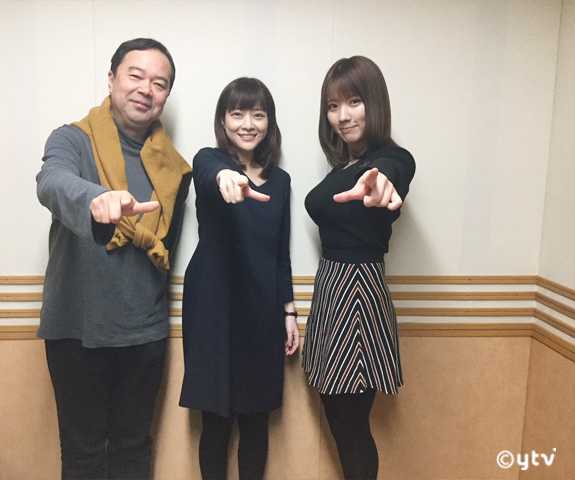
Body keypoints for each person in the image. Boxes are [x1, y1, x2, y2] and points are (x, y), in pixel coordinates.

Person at [36, 38, 192, 479]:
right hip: (76, 329)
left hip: (144, 332)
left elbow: (164, 253)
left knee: (133, 451)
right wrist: (95, 198)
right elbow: (51, 181)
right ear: (111, 79)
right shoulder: (72, 139)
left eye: (159, 83)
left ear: (166, 96)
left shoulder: (175, 169)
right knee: (83, 456)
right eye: (135, 75)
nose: (146, 89)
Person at [179, 77, 299, 480]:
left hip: (262, 308)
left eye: (258, 115)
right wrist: (225, 177)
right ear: (223, 120)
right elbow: (207, 170)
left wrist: (288, 312)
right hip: (213, 305)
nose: (248, 124)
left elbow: (281, 251)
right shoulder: (209, 161)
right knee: (215, 421)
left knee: (255, 420)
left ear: (269, 122)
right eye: (237, 114)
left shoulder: (281, 181)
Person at [303, 56, 416, 480]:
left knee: (351, 427)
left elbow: (396, 168)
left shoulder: (390, 158)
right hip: (333, 288)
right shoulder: (345, 166)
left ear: (375, 102)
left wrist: (381, 177)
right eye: (333, 106)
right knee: (342, 422)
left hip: (357, 294)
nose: (342, 115)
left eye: (354, 101)